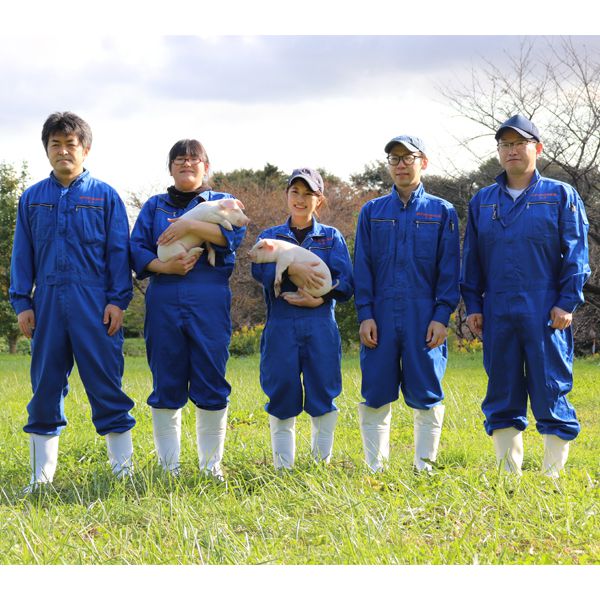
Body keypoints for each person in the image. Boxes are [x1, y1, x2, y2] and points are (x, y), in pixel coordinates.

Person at [9, 111, 135, 490]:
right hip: (46, 305)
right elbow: (22, 254)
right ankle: (41, 477)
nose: (63, 151)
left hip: (95, 305)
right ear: (46, 150)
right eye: (55, 145)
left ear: (86, 149)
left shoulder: (105, 196)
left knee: (106, 384)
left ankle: (122, 474)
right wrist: (22, 303)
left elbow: (118, 253)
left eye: (71, 144)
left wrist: (118, 300)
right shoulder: (32, 199)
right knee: (45, 385)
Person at [461, 115, 590, 477]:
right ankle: (508, 474)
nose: (512, 150)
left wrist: (566, 302)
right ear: (499, 151)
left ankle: (552, 476)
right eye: (505, 144)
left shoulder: (560, 195)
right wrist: (473, 305)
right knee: (501, 387)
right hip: (497, 307)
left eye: (520, 143)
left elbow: (577, 254)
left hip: (545, 306)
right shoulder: (483, 201)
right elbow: (472, 258)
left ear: (538, 148)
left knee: (550, 385)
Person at [129, 139, 246, 480]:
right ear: (171, 168)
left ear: (206, 168)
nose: (187, 164)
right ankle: (169, 468)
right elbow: (136, 249)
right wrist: (164, 268)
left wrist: (189, 225)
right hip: (164, 296)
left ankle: (211, 466)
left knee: (212, 375)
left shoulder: (219, 201)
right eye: (179, 160)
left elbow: (233, 237)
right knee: (167, 378)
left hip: (208, 298)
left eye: (194, 160)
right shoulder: (153, 207)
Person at [353, 136, 460, 473]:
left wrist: (442, 316)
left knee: (427, 389)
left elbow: (450, 268)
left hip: (423, 314)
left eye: (407, 157)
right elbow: (363, 267)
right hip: (381, 315)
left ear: (422, 161)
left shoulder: (442, 211)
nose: (400, 164)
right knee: (375, 390)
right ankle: (376, 469)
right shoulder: (372, 212)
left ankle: (424, 468)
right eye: (393, 158)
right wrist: (366, 314)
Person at [251, 168, 353, 470]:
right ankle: (284, 466)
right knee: (281, 387)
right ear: (286, 196)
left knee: (323, 387)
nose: (300, 199)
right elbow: (258, 271)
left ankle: (321, 463)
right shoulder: (270, 237)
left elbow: (346, 280)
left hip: (320, 321)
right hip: (281, 322)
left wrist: (321, 297)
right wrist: (294, 270)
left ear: (318, 200)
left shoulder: (331, 237)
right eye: (294, 192)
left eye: (308, 193)